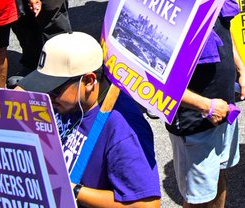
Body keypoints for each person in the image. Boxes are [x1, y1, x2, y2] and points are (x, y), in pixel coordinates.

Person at [19, 33, 162, 207]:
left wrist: (72, 189)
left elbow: (147, 205)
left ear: (88, 80)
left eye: (55, 90)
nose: (48, 96)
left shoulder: (122, 129)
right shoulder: (69, 102)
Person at [167, 0, 245, 208]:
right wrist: (207, 106)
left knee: (218, 180)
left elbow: (225, 30)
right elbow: (157, 83)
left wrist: (242, 71)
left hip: (224, 113)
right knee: (198, 200)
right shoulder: (168, 4)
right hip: (194, 124)